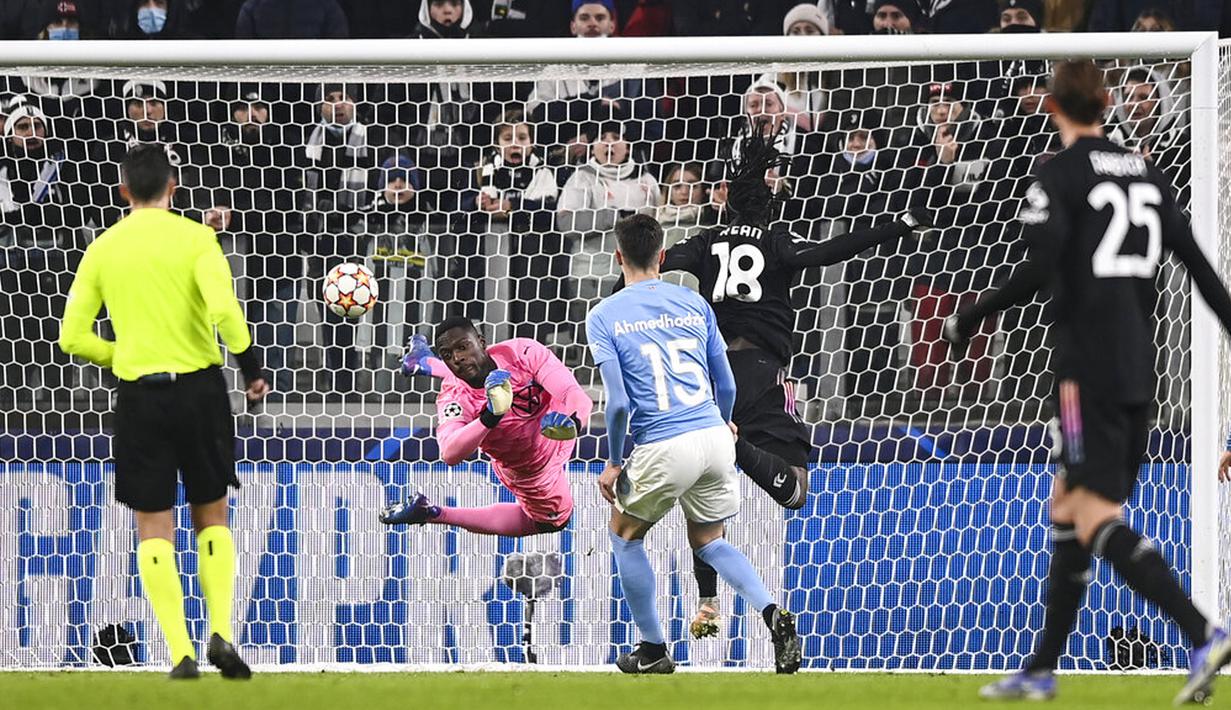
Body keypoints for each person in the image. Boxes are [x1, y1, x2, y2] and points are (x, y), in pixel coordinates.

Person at [943, 59, 1231, 704]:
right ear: (1106, 102)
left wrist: (969, 315)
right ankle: (1042, 669)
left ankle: (1200, 632)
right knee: (1067, 508)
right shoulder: (1151, 175)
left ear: (1053, 106)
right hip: (1141, 370)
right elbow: (1205, 278)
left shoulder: (1059, 174)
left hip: (1084, 374)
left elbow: (1040, 266)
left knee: (1093, 511)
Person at [626, 124, 931, 637]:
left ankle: (707, 603)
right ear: (767, 203)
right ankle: (739, 451)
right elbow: (832, 251)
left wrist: (632, 289)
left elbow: (655, 264)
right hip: (763, 371)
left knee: (703, 489)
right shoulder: (776, 239)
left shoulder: (704, 241)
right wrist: (901, 223)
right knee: (796, 492)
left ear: (726, 202)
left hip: (708, 376)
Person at [58, 144, 268, 678]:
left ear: (124, 190)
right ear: (174, 187)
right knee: (211, 513)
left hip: (139, 398)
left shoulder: (103, 248)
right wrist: (250, 370)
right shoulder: (198, 238)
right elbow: (224, 309)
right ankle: (220, 629)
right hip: (199, 391)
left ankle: (180, 653)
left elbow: (71, 337)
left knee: (153, 524)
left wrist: (123, 356)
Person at [587, 213, 801, 674]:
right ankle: (772, 612)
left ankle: (652, 649)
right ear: (663, 256)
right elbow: (723, 382)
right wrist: (724, 424)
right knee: (708, 541)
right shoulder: (692, 302)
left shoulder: (604, 315)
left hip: (664, 443)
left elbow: (619, 404)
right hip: (712, 436)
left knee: (624, 536)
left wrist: (613, 462)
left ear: (618, 256)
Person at [380, 317, 593, 536]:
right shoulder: (454, 396)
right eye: (447, 356)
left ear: (482, 342)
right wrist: (490, 416)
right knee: (553, 522)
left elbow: (575, 396)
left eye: (463, 347)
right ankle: (433, 513)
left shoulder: (522, 353)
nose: (457, 358)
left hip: (558, 426)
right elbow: (450, 453)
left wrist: (573, 422)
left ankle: (424, 362)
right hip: (532, 465)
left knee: (478, 369)